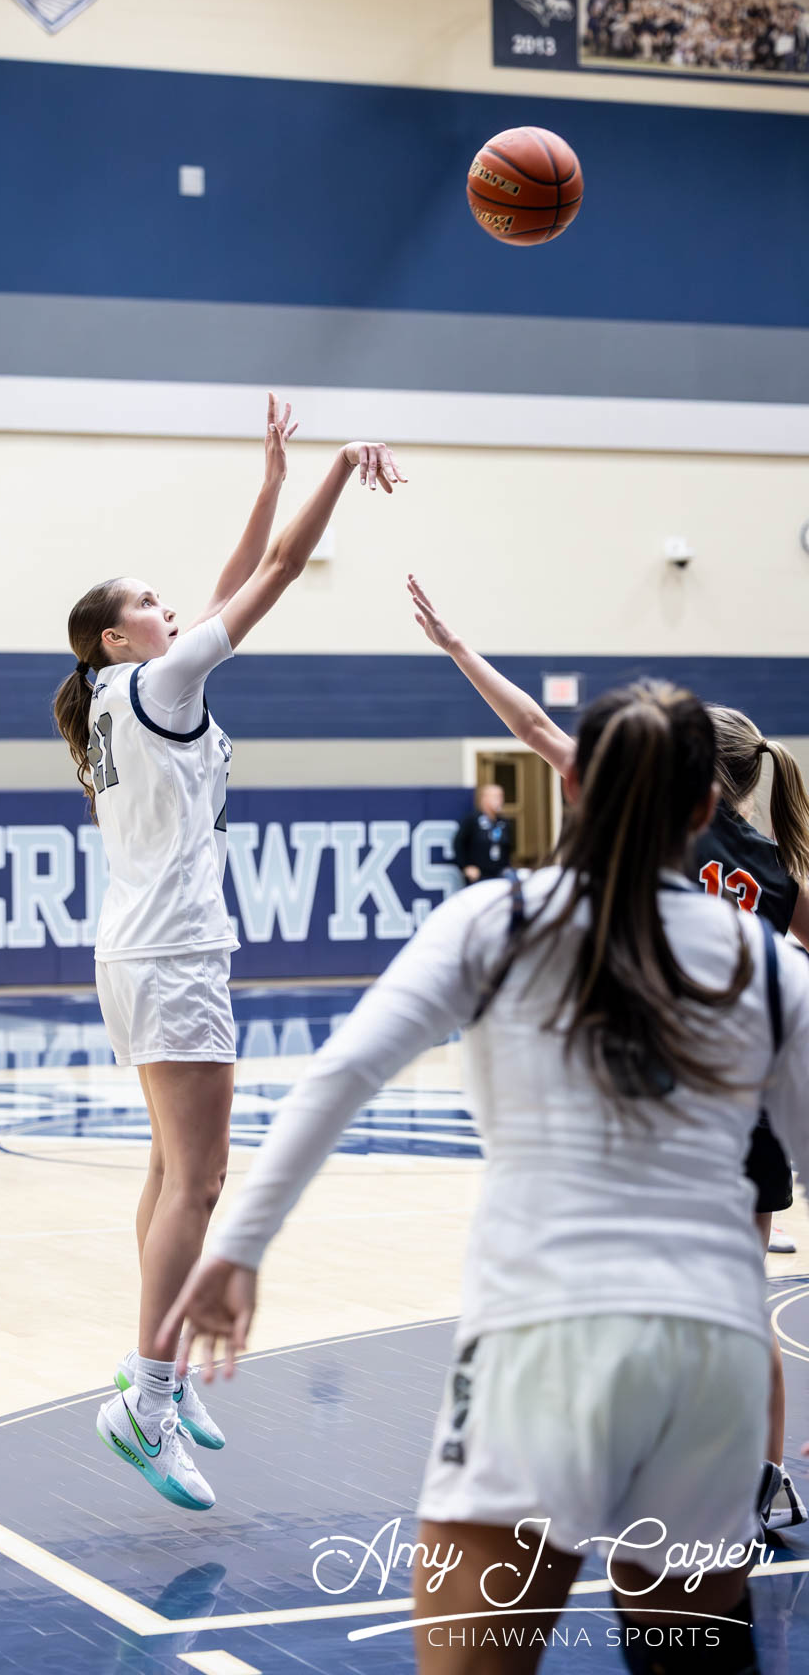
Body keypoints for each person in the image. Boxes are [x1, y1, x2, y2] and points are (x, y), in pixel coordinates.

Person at [169, 680, 809, 1674]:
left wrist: (239, 1248)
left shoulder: (495, 921)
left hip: (543, 1341)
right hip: (710, 1357)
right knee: (690, 1657)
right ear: (704, 810)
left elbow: (343, 1073)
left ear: (574, 787)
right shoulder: (772, 966)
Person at [51, 395, 404, 1512]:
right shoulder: (159, 683)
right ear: (117, 637)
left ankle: (146, 1372)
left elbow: (231, 581)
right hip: (174, 951)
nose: (171, 608)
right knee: (200, 1181)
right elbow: (280, 573)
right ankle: (147, 1395)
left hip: (134, 951)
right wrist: (338, 469)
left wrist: (268, 480)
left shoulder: (120, 692)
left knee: (170, 1174)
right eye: (148, 602)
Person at [404, 571, 809, 1533]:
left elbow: (537, 729)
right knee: (738, 1304)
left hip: (649, 1100)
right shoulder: (776, 871)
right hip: (745, 1108)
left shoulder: (654, 830)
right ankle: (761, 1477)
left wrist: (459, 650)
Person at [453, 783, 514, 884]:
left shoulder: (503, 823)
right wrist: (466, 867)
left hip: (500, 874)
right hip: (479, 875)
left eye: (501, 796)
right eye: (495, 796)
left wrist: (507, 866)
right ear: (484, 799)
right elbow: (459, 844)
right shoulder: (472, 820)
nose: (500, 800)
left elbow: (509, 847)